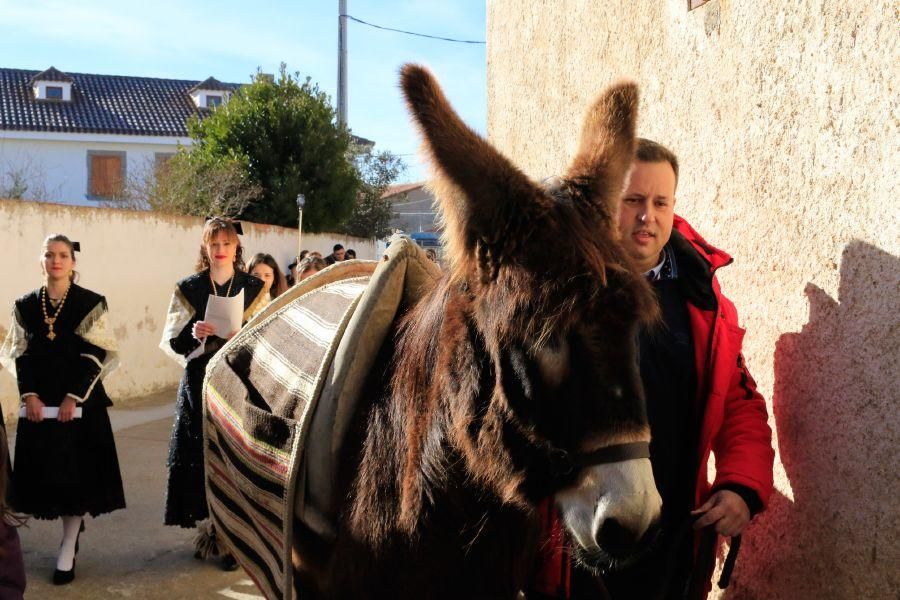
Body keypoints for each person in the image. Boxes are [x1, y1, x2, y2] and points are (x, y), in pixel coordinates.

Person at [529, 139, 775, 599]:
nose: (649, 216)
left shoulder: (704, 304)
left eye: (661, 202)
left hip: (674, 540)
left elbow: (739, 403)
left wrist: (741, 486)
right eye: (633, 201)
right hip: (579, 543)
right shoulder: (555, 293)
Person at [0, 234, 125, 586]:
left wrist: (73, 397)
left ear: (73, 262)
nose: (56, 261)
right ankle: (69, 533)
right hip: (40, 404)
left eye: (63, 255)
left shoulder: (90, 302)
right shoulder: (25, 305)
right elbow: (19, 354)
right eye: (50, 255)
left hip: (79, 403)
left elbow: (96, 353)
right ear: (41, 261)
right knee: (45, 477)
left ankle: (68, 545)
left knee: (76, 479)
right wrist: (30, 396)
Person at [158, 218, 266, 571]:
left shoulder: (254, 286)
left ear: (237, 247)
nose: (220, 250)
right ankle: (211, 528)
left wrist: (243, 332)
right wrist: (194, 332)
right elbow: (173, 339)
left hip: (240, 380)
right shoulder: (188, 287)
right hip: (199, 381)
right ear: (205, 248)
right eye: (213, 244)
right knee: (202, 456)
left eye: (226, 243)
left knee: (234, 456)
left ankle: (233, 537)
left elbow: (268, 333)